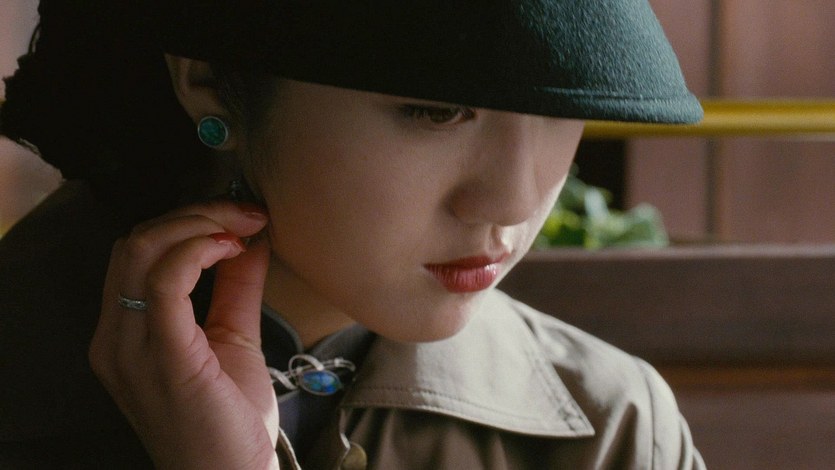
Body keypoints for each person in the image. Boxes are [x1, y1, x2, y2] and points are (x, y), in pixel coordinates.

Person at [0, 1, 706, 468]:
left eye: (560, 110)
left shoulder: (612, 423)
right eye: (436, 111)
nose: (513, 201)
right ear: (209, 82)